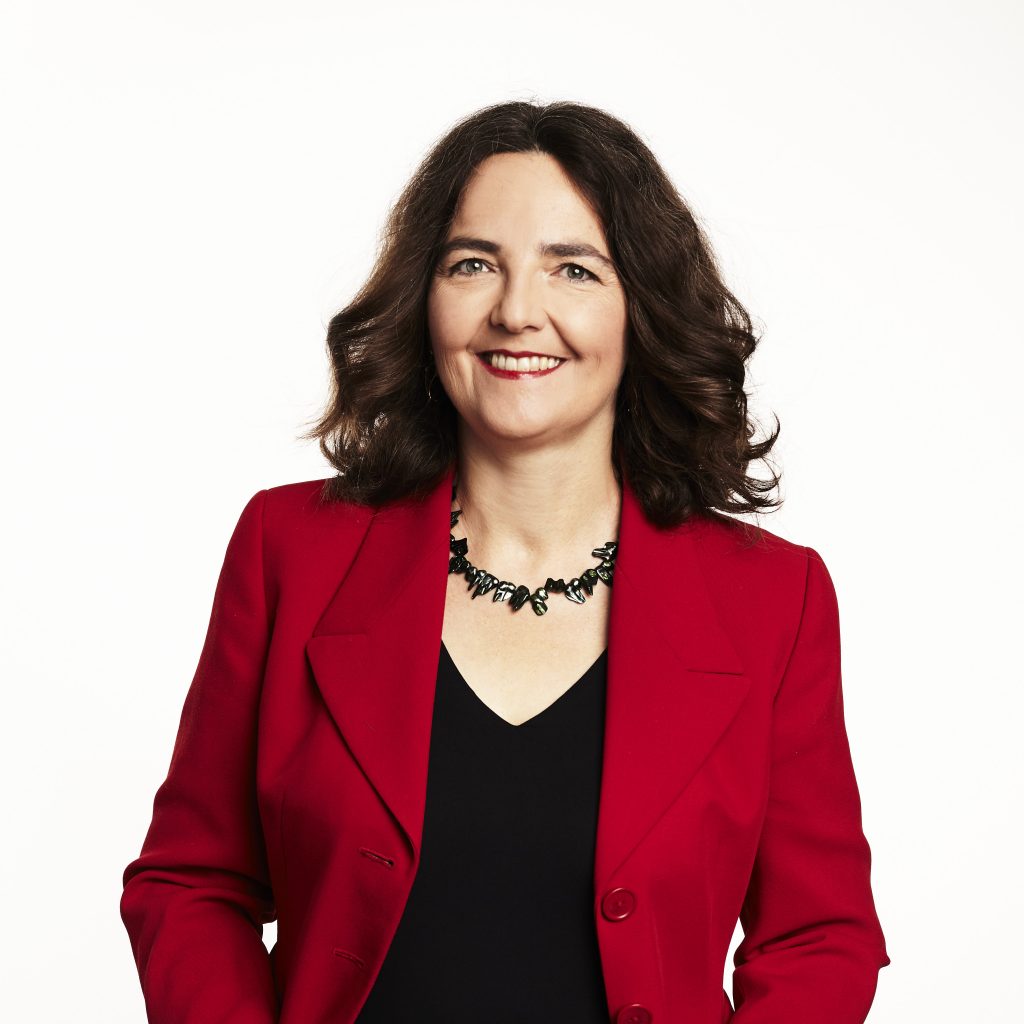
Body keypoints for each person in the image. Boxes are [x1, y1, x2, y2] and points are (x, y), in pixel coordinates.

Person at [119, 99, 890, 1024]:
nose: (517, 312)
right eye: (473, 264)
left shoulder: (772, 597)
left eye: (574, 269)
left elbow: (819, 936)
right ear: (424, 297)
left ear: (641, 308)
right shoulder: (289, 549)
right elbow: (191, 883)